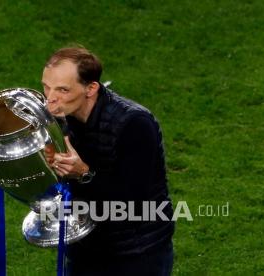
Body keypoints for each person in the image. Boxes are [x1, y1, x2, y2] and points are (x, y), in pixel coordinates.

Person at [42, 46, 175, 275]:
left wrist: (83, 173)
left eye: (62, 90)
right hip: (85, 247)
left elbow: (133, 202)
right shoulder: (59, 118)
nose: (50, 99)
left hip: (136, 254)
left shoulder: (135, 124)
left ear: (91, 88)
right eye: (46, 87)